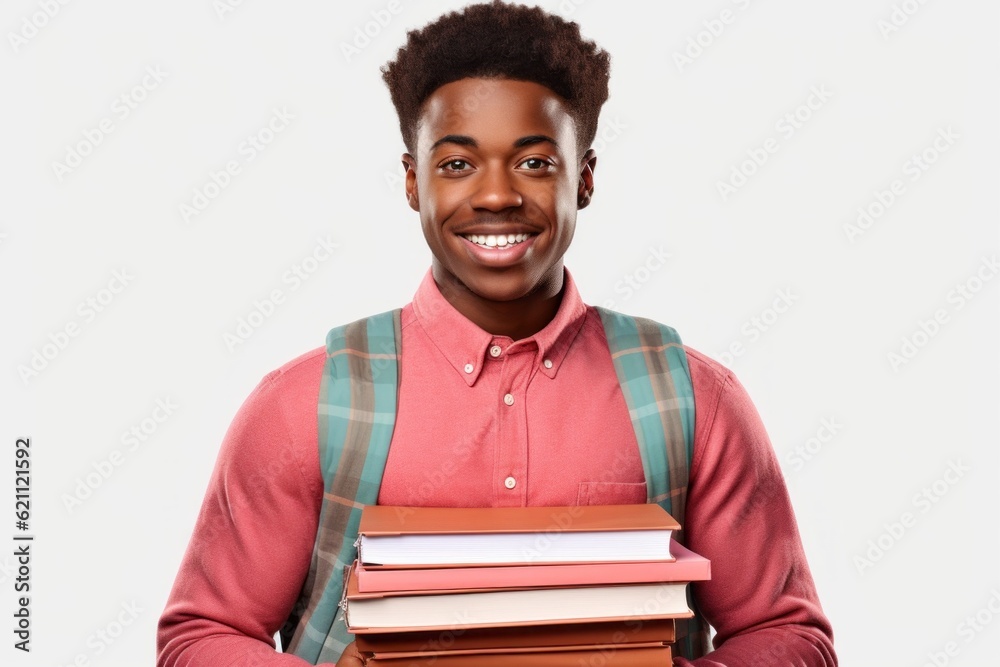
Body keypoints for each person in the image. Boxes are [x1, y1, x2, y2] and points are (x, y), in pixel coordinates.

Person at [156, 2, 837, 665]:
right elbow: (201, 636)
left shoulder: (693, 398)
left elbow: (791, 635)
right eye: (457, 164)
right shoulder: (303, 404)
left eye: (535, 162)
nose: (496, 196)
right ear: (414, 182)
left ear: (587, 178)